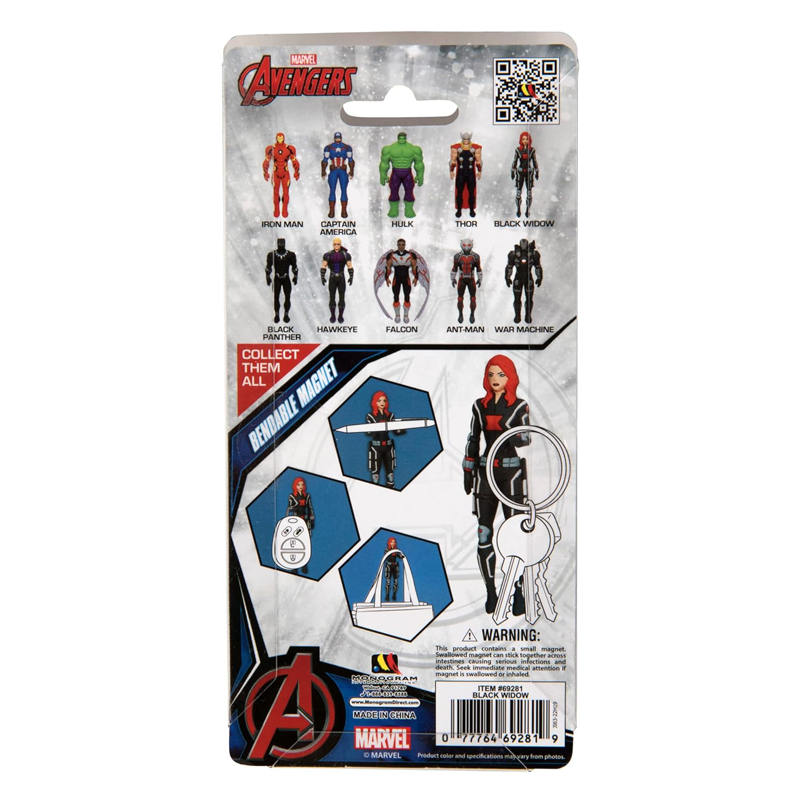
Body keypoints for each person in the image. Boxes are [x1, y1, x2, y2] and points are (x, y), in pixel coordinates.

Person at [463, 356, 531, 614]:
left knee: (516, 534)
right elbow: (473, 438)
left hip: (511, 474)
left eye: (501, 374)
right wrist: (468, 469)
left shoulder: (520, 406)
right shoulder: (479, 406)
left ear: (509, 377)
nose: (495, 379)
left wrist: (508, 429)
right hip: (484, 475)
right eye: (491, 374)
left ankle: (519, 592)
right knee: (484, 533)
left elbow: (526, 438)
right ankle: (491, 592)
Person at [365, 391, 405, 489]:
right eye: (379, 401)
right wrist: (372, 429)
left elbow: (396, 431)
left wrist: (402, 428)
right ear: (375, 402)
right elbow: (369, 432)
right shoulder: (371, 416)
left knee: (390, 474)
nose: (382, 403)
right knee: (375, 475)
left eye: (384, 400)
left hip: (388, 446)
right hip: (376, 447)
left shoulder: (390, 415)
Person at [264, 238, 298, 323]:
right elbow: (268, 267)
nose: (281, 244)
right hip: (277, 279)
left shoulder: (290, 255)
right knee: (276, 297)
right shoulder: (272, 255)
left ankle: (286, 314)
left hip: (286, 278)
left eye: (282, 243)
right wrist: (267, 277)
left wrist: (295, 276)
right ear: (277, 243)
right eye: (279, 243)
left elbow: (294, 267)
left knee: (287, 297)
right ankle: (277, 314)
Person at [321, 237, 354, 323]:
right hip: (332, 277)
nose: (336, 246)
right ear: (333, 245)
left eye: (338, 244)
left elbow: (349, 266)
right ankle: (332, 315)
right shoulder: (328, 255)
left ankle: (340, 315)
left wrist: (351, 276)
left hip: (341, 278)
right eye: (335, 244)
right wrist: (322, 276)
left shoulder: (345, 255)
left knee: (342, 297)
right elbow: (324, 266)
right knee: (332, 297)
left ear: (340, 244)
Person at [286, 477, 315, 574]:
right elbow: (290, 507)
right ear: (295, 485)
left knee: (305, 543)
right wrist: (296, 507)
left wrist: (312, 519)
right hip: (296, 522)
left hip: (305, 521)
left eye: (302, 484)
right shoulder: (292, 496)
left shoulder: (307, 496)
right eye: (298, 484)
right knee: (294, 543)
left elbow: (309, 508)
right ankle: (294, 565)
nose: (300, 486)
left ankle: (304, 565)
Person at [383, 536, 405, 602]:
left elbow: (399, 556)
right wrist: (392, 551)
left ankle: (394, 594)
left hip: (395, 566)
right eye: (391, 542)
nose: (393, 543)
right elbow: (387, 557)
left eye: (394, 542)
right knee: (388, 581)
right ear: (389, 543)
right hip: (389, 566)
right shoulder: (387, 550)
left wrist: (401, 556)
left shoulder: (396, 550)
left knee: (395, 581)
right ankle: (387, 595)